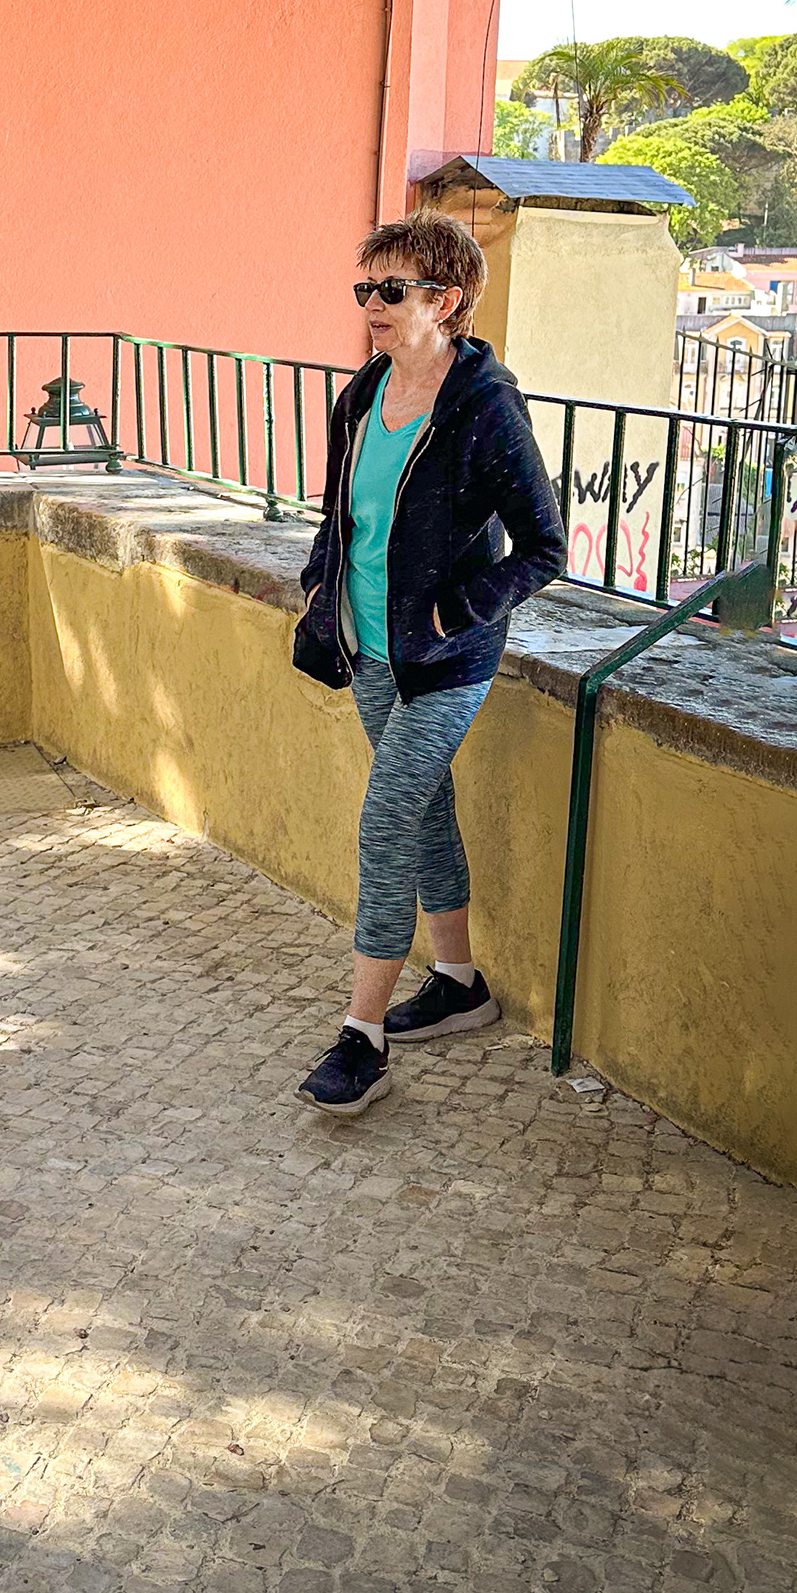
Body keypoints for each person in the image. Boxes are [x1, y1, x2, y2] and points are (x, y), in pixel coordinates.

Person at [291, 211, 565, 1118]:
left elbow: (542, 547)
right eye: (364, 288)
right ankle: (458, 982)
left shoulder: (486, 407)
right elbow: (345, 517)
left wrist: (460, 608)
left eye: (390, 291)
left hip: (447, 657)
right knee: (425, 805)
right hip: (368, 644)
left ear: (446, 302)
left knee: (384, 821)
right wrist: (318, 586)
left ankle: (359, 1040)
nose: (371, 304)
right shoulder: (364, 393)